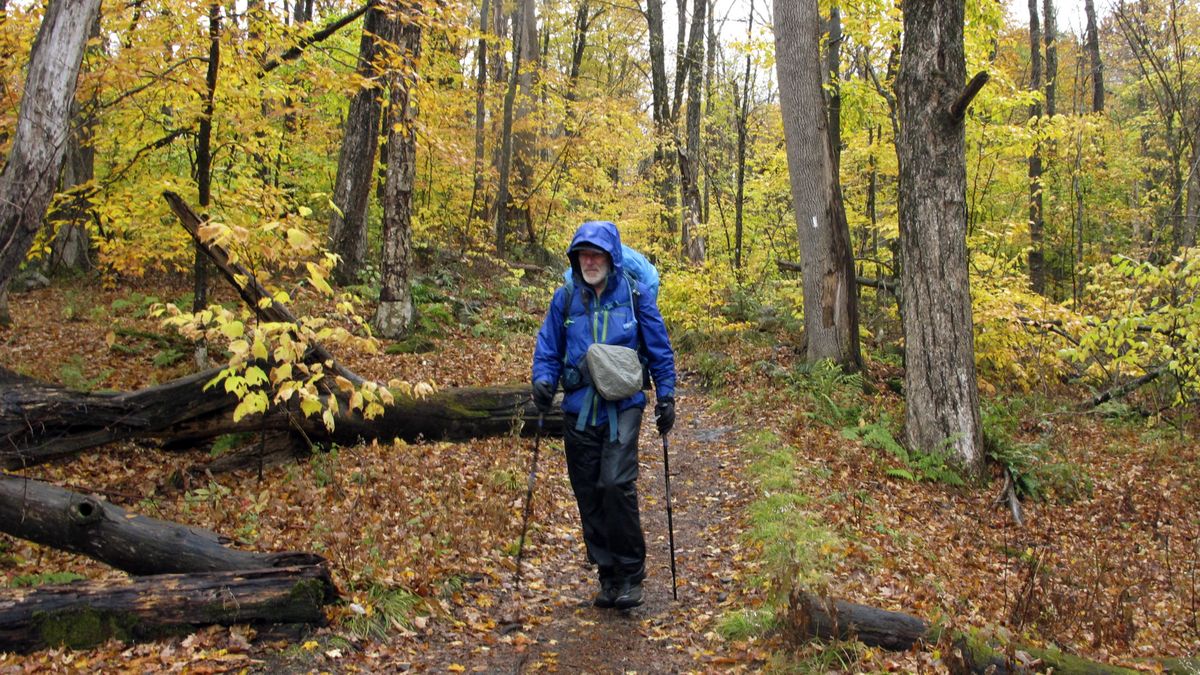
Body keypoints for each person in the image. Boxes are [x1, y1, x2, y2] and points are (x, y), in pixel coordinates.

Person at [531, 220, 676, 610]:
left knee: (614, 484)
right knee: (588, 492)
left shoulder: (635, 294)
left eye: (596, 254)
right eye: (583, 254)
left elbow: (659, 347)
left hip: (622, 407)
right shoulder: (565, 299)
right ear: (575, 259)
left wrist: (667, 396)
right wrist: (543, 380)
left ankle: (631, 571)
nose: (589, 261)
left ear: (611, 258)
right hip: (578, 409)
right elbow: (548, 346)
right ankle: (607, 574)